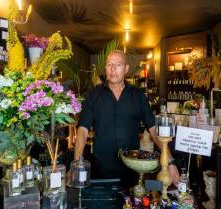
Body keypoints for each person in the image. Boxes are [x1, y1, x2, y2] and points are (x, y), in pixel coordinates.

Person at [73, 50, 179, 186]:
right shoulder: (94, 95)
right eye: (109, 64)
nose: (113, 69)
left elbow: (153, 130)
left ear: (126, 68)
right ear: (105, 67)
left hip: (132, 168)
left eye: (118, 65)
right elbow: (82, 129)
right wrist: (76, 164)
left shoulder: (138, 96)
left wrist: (169, 162)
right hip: (101, 168)